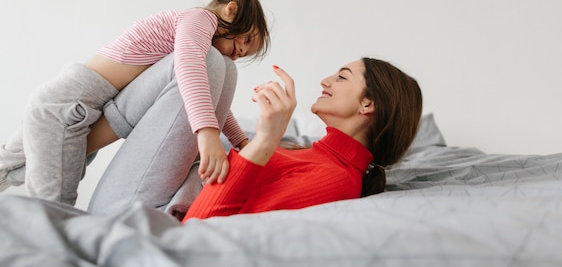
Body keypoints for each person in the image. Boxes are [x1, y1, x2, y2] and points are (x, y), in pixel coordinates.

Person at [0, 0, 271, 206]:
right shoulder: (200, 20)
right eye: (244, 40)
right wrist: (207, 133)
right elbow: (190, 68)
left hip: (60, 99)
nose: (239, 52)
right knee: (53, 209)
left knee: (2, 166)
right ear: (231, 10)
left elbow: (207, 95)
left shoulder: (195, 31)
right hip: (67, 108)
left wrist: (241, 140)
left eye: (244, 54)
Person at [86, 55, 422, 221]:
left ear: (368, 104)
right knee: (221, 66)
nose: (326, 80)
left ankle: (77, 140)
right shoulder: (318, 155)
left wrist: (264, 140)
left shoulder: (335, 180)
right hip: (159, 191)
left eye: (342, 76)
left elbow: (202, 225)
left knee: (209, 62)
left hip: (143, 216)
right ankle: (77, 141)